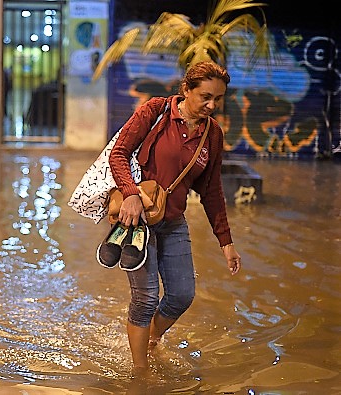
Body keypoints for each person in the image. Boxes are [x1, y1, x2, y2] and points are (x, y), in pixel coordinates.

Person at [107, 61, 242, 377]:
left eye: (218, 99)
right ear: (186, 90)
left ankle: (150, 340)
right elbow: (119, 153)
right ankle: (140, 372)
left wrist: (226, 242)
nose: (211, 105)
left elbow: (210, 191)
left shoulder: (212, 134)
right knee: (146, 297)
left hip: (173, 221)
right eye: (205, 96)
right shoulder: (155, 112)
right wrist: (129, 193)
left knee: (182, 294)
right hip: (137, 220)